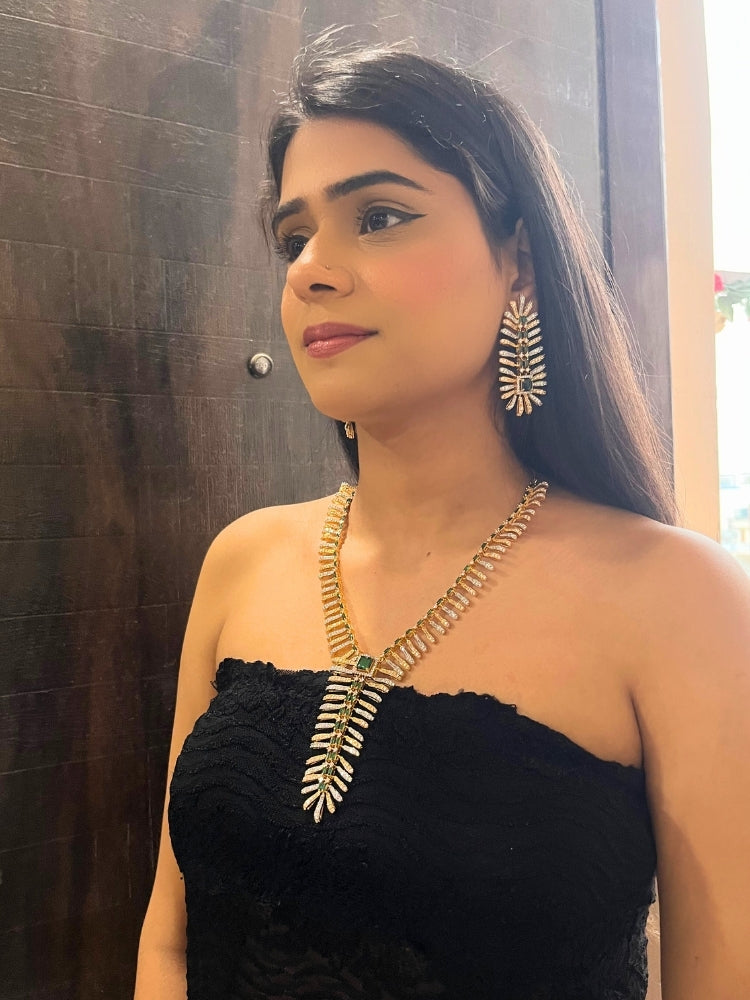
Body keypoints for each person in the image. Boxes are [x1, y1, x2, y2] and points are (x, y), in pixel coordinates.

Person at [134, 34, 750, 1000]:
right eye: (293, 239)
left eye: (379, 217)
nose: (310, 270)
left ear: (520, 263)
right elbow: (170, 941)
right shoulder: (245, 562)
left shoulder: (679, 600)